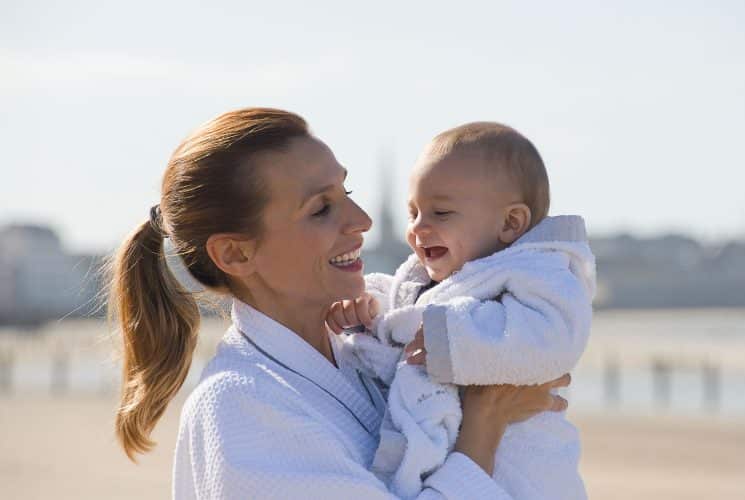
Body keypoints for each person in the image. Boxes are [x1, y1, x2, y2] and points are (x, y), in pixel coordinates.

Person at [107, 108, 572, 499]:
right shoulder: (239, 407)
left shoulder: (367, 345)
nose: (362, 220)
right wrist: (485, 422)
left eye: (345, 193)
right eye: (321, 209)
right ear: (235, 253)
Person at [326, 122, 595, 499]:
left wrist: (455, 342)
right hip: (459, 454)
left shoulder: (537, 272)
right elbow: (404, 310)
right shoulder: (428, 277)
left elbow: (553, 334)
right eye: (413, 212)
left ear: (510, 222)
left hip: (522, 463)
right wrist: (369, 309)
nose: (419, 228)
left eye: (441, 212)